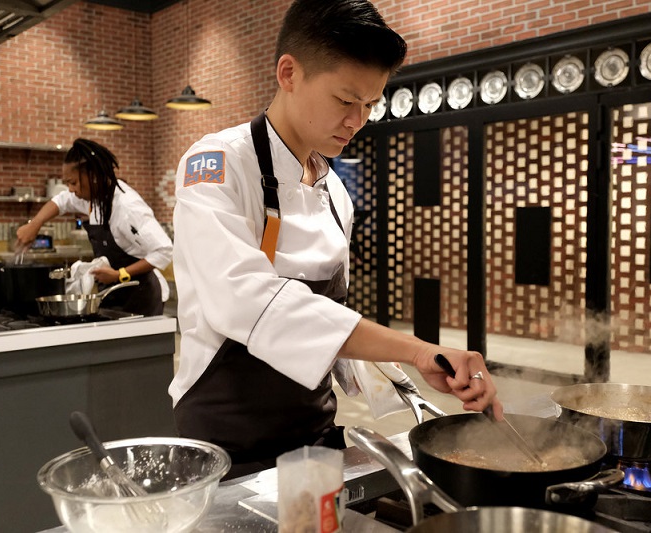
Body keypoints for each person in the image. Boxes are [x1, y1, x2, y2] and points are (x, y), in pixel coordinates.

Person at [171, 0, 503, 479]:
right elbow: (244, 300)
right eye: (345, 101)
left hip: (315, 429)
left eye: (370, 104)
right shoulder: (219, 163)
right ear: (289, 73)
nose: (358, 120)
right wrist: (413, 346)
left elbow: (328, 325)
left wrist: (413, 377)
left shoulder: (334, 194)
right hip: (225, 440)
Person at [15, 138, 173, 317]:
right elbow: (62, 201)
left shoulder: (127, 207)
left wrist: (119, 274)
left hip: (141, 299)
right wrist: (35, 224)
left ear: (94, 176)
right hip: (113, 295)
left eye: (73, 183)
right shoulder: (93, 198)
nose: (71, 190)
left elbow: (164, 250)